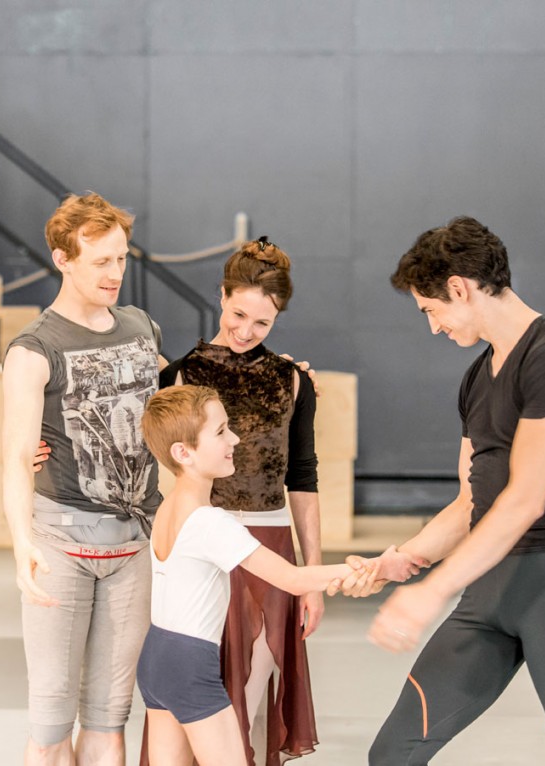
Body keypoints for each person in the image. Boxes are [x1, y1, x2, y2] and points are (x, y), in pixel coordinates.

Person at [342, 216, 545, 765]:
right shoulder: (477, 376)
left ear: (459, 288)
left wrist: (430, 591)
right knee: (392, 754)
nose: (433, 327)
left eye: (431, 310)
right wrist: (403, 560)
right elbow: (471, 502)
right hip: (489, 593)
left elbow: (523, 502)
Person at [151, 236, 424, 766]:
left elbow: (303, 477)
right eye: (237, 314)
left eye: (262, 324)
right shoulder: (178, 376)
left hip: (268, 543)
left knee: (246, 700)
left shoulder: (291, 380)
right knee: (195, 702)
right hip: (199, 542)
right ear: (221, 295)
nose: (245, 332)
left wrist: (314, 576)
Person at [2, 192, 163, 766]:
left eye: (122, 259)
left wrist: (290, 374)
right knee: (49, 725)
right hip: (61, 544)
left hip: (134, 544)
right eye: (101, 261)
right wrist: (22, 545)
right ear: (62, 259)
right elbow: (18, 457)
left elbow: (182, 406)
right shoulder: (34, 349)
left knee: (109, 720)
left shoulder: (143, 327)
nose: (115, 273)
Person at [136, 385, 374, 766]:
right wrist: (367, 569)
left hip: (157, 658)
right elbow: (292, 580)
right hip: (190, 663)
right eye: (220, 432)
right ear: (184, 453)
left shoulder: (168, 509)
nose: (235, 438)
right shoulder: (210, 522)